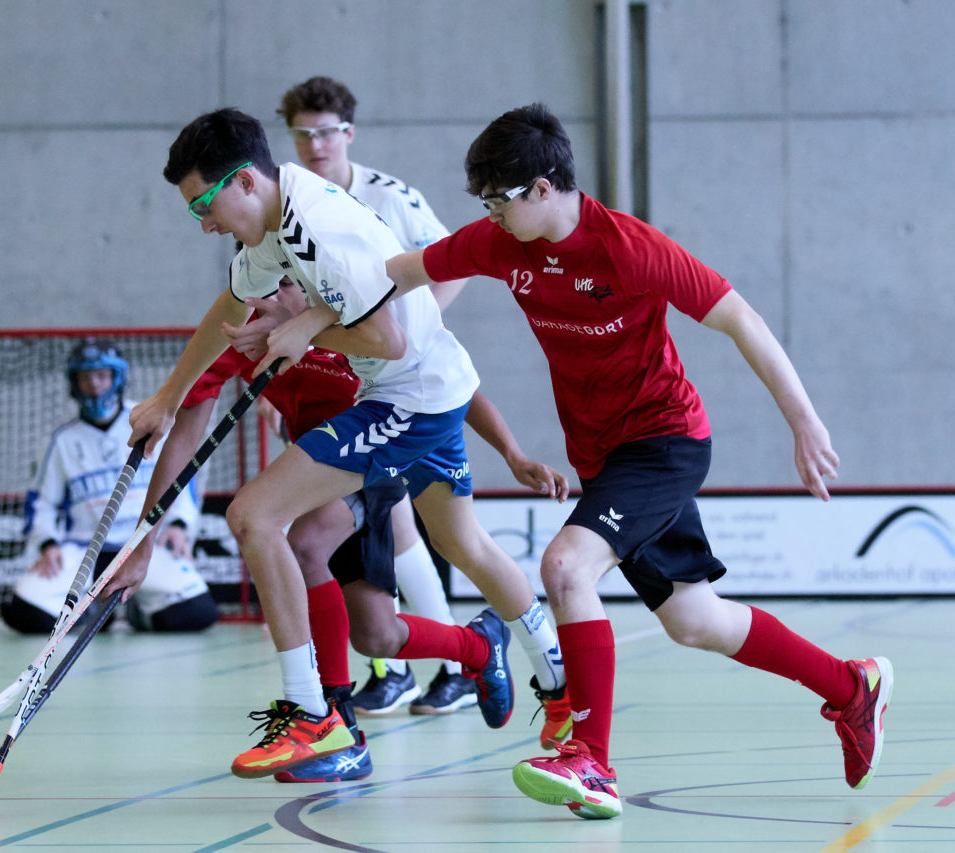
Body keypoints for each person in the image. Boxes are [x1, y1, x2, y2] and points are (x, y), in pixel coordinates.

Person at [385, 102, 894, 820]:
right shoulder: (501, 246)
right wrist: (310, 316)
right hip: (603, 457)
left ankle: (589, 758)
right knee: (695, 620)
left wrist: (804, 423)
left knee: (565, 566)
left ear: (541, 189)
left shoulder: (628, 248)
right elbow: (400, 272)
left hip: (663, 441)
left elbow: (740, 317)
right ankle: (850, 687)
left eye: (497, 198)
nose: (488, 213)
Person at [113, 107, 568, 782]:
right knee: (464, 545)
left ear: (242, 183)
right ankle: (559, 687)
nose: (204, 223)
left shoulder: (316, 227)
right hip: (429, 391)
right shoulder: (277, 218)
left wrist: (297, 335)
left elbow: (389, 341)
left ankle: (314, 714)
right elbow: (228, 307)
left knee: (254, 515)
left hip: (405, 397)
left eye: (203, 205)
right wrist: (167, 397)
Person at [277, 75, 489, 718]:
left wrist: (420, 328)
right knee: (388, 527)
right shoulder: (290, 205)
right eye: (303, 133)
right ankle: (404, 666)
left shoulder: (388, 196)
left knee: (403, 525)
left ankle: (450, 661)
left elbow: (452, 260)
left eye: (327, 131)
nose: (316, 144)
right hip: (340, 385)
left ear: (349, 132)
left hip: (403, 379)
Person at [0, 339, 216, 635]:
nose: (94, 384)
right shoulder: (62, 441)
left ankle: (139, 611)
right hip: (83, 551)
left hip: (143, 546)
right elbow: (42, 503)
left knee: (197, 612)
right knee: (25, 613)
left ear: (118, 378)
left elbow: (180, 482)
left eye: (102, 375)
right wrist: (47, 544)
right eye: (85, 377)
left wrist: (179, 525)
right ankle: (92, 610)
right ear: (74, 382)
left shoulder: (151, 420)